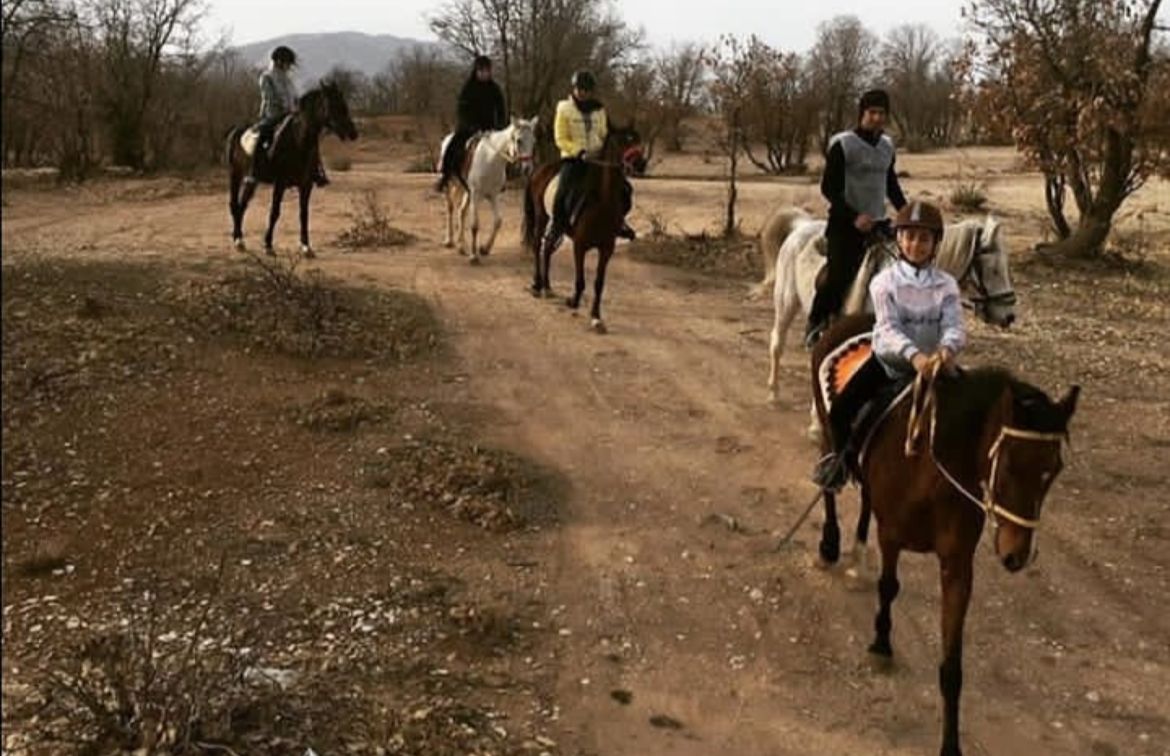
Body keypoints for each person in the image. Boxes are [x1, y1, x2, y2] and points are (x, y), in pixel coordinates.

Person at [811, 199, 966, 492]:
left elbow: (954, 326)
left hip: (935, 366)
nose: (915, 245)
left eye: (924, 238)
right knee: (841, 409)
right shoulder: (884, 282)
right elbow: (888, 329)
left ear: (935, 243)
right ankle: (839, 465)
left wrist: (946, 350)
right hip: (889, 366)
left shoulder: (947, 285)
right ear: (899, 238)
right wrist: (915, 357)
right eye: (909, 237)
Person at [805, 88, 908, 349]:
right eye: (872, 112)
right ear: (862, 113)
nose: (877, 118)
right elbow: (828, 188)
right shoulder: (843, 144)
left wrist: (906, 212)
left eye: (881, 113)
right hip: (845, 225)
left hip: (879, 224)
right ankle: (816, 323)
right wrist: (854, 216)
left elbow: (890, 183)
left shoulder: (886, 147)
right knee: (839, 274)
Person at [539, 70, 635, 257]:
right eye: (579, 89)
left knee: (624, 189)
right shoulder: (564, 109)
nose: (583, 93)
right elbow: (560, 137)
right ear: (574, 89)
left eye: (586, 90)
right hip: (574, 160)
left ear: (591, 91)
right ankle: (555, 227)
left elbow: (606, 134)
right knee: (563, 191)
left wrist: (620, 141)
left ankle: (619, 222)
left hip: (598, 160)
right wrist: (578, 152)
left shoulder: (599, 110)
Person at [250, 45, 328, 186]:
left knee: (310, 136)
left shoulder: (287, 79)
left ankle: (317, 171)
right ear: (279, 61)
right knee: (262, 135)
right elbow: (269, 98)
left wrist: (298, 107)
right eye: (287, 63)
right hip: (272, 114)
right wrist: (286, 109)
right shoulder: (266, 77)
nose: (289, 66)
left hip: (290, 114)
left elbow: (294, 96)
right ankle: (255, 171)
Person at [436, 54, 507, 192]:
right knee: (454, 144)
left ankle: (501, 180)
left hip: (490, 128)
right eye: (482, 71)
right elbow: (462, 110)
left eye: (487, 70)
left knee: (505, 148)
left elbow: (501, 109)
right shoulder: (468, 88)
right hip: (469, 127)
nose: (485, 74)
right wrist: (471, 127)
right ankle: (446, 174)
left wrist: (499, 126)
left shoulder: (494, 89)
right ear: (476, 71)